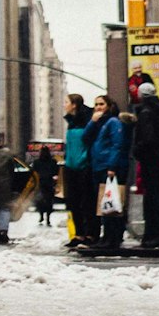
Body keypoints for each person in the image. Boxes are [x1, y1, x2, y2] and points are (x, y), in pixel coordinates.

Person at [131, 77, 159, 254]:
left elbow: (147, 139)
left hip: (150, 161)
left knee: (152, 198)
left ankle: (153, 235)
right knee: (158, 197)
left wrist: (138, 150)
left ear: (142, 95)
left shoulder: (146, 113)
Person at [86, 93, 132, 255]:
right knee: (104, 204)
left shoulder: (113, 122)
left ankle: (112, 237)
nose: (98, 107)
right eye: (96, 104)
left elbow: (117, 145)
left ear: (108, 106)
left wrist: (112, 166)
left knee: (110, 203)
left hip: (108, 167)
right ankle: (108, 237)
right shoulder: (99, 124)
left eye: (101, 104)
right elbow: (85, 137)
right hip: (98, 166)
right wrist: (92, 122)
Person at [62, 93, 95, 248]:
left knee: (86, 202)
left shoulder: (88, 119)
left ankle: (90, 234)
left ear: (74, 104)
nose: (65, 105)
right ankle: (79, 234)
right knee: (73, 202)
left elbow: (89, 142)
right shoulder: (70, 122)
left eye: (67, 102)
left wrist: (85, 160)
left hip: (84, 167)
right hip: (71, 167)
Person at [31, 143, 58, 226]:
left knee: (40, 201)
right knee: (49, 201)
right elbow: (55, 172)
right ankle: (48, 218)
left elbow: (33, 172)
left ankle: (41, 215)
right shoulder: (53, 162)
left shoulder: (36, 162)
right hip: (49, 183)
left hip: (40, 183)